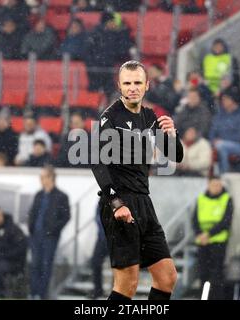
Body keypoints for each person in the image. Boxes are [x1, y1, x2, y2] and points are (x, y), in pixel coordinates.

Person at [91, 60, 184, 300]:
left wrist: (172, 136)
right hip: (120, 203)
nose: (132, 88)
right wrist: (116, 203)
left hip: (144, 203)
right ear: (120, 86)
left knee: (167, 277)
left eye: (137, 83)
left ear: (147, 85)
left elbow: (175, 155)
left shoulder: (151, 117)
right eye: (127, 83)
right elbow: (97, 162)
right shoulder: (109, 117)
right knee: (127, 284)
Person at [28, 165, 70, 299]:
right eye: (41, 177)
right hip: (36, 235)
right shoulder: (39, 195)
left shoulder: (61, 196)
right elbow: (32, 213)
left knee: (46, 266)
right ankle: (33, 293)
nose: (41, 180)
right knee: (35, 265)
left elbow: (66, 216)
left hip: (50, 237)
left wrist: (53, 229)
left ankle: (41, 294)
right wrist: (31, 228)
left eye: (43, 177)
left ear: (51, 177)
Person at [192, 176, 233, 300]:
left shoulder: (227, 199)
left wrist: (208, 234)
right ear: (208, 185)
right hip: (202, 241)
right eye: (214, 185)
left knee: (216, 274)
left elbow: (225, 221)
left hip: (218, 241)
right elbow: (194, 219)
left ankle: (216, 297)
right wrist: (200, 234)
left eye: (218, 185)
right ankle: (203, 297)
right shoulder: (201, 199)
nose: (216, 188)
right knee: (203, 273)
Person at [209, 88, 240, 174]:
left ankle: (224, 174)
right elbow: (212, 131)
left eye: (226, 99)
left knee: (222, 147)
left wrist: (222, 140)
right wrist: (213, 140)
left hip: (239, 145)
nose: (223, 101)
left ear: (233, 100)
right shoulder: (220, 115)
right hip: (217, 143)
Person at [89, 200, 108, 299]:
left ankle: (118, 292)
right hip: (102, 238)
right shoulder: (103, 197)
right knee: (95, 262)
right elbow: (98, 216)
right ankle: (98, 290)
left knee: (119, 266)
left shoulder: (120, 197)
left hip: (116, 239)